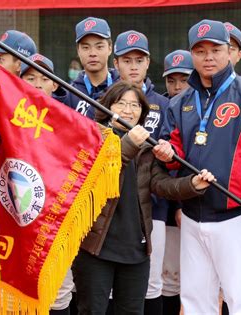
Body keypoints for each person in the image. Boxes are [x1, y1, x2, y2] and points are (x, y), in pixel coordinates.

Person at [158, 19, 241, 314]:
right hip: (193, 215)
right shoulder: (180, 103)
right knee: (194, 300)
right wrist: (167, 152)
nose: (209, 57)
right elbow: (175, 149)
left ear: (229, 51)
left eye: (216, 49)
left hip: (237, 216)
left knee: (239, 299)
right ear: (192, 54)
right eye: (200, 50)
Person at [72, 80, 215, 315]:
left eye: (135, 105)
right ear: (108, 105)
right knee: (92, 310)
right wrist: (128, 143)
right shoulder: (93, 136)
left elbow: (161, 185)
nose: (128, 110)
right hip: (96, 247)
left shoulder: (145, 147)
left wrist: (193, 184)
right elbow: (98, 173)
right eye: (121, 103)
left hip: (135, 249)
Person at [112, 30, 170, 314]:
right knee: (111, 287)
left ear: (148, 63)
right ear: (116, 63)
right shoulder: (105, 101)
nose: (133, 66)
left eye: (139, 59)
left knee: (152, 283)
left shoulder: (165, 103)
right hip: (110, 207)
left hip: (152, 207)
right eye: (127, 59)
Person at [20, 53, 73, 315]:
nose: (38, 84)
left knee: (59, 286)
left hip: (57, 214)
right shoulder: (9, 118)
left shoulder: (70, 120)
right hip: (19, 215)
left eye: (44, 78)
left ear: (55, 84)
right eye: (30, 78)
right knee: (18, 286)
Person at [160, 48, 194, 315]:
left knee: (199, 278)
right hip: (171, 206)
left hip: (202, 204)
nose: (177, 86)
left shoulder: (205, 106)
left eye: (183, 79)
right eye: (172, 80)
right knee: (169, 276)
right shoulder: (163, 107)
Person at [65, 17, 120, 119]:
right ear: (78, 50)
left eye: (99, 47)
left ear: (110, 48)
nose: (93, 53)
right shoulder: (68, 94)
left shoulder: (124, 89)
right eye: (86, 47)